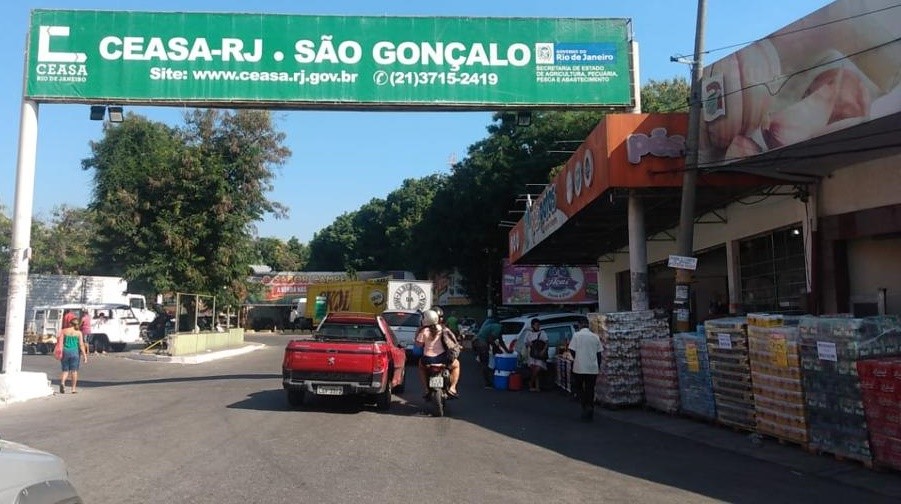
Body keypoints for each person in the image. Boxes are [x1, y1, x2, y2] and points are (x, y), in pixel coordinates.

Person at [414, 309, 461, 398]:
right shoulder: (443, 329)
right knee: (456, 365)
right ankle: (453, 388)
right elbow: (453, 341)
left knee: (421, 366)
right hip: (443, 358)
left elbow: (418, 345)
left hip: (427, 360)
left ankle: (426, 389)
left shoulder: (423, 331)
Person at [568, 319, 602, 422]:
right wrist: (598, 366)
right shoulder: (595, 337)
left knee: (578, 387)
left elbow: (572, 350)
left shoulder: (576, 335)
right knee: (590, 388)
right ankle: (590, 407)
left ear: (580, 325)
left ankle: (585, 405)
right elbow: (599, 354)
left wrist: (577, 358)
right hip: (592, 367)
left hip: (579, 367)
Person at [58, 316, 88, 394]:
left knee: (65, 371)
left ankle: (62, 382)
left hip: (65, 351)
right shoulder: (79, 333)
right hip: (74, 352)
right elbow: (81, 345)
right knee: (74, 371)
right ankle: (73, 389)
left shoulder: (64, 331)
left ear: (70, 324)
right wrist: (85, 355)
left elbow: (59, 341)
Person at [474, 317, 505, 388]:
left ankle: (488, 381)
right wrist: (496, 348)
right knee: (485, 363)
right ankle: (487, 383)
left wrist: (506, 351)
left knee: (484, 362)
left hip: (479, 342)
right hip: (482, 343)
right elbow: (490, 339)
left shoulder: (497, 327)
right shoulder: (498, 328)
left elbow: (501, 341)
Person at [523, 318, 549, 392]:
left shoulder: (542, 333)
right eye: (536, 325)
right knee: (534, 369)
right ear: (532, 325)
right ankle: (537, 387)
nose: (538, 326)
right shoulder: (528, 333)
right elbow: (525, 343)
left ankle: (531, 383)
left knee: (538, 368)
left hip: (539, 354)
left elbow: (547, 343)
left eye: (538, 325)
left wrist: (543, 351)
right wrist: (529, 344)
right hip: (531, 354)